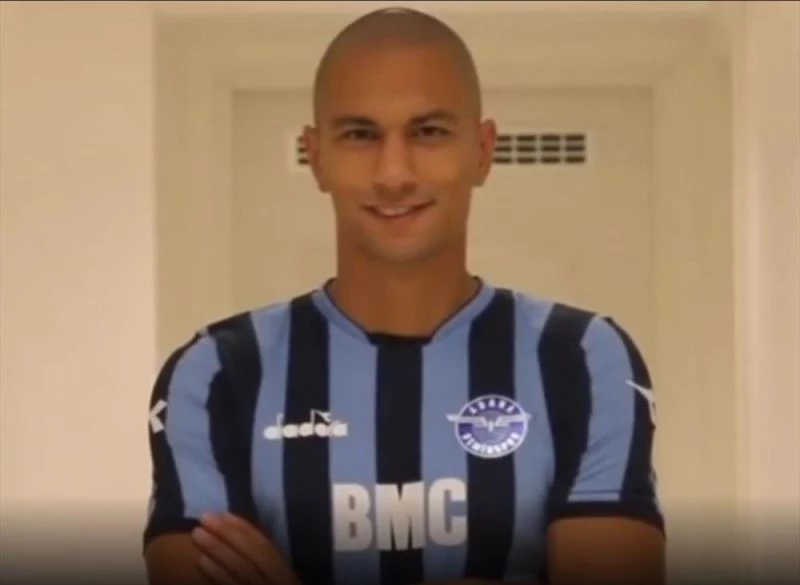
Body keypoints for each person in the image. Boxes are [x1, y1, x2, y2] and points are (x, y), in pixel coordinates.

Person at [142, 7, 665, 585]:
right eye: (360, 135)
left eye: (429, 132)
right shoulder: (218, 373)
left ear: (483, 149)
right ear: (316, 156)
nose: (394, 173)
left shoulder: (582, 358)